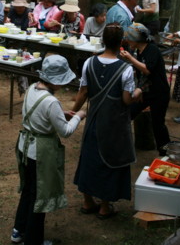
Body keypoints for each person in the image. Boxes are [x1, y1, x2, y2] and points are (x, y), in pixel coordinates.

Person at [11, 55, 86, 245]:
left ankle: (18, 230)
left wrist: (60, 115)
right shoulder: (51, 102)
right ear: (56, 81)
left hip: (24, 146)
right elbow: (66, 131)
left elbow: (40, 115)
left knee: (29, 190)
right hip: (39, 153)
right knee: (40, 196)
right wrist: (78, 116)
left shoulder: (30, 89)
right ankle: (33, 240)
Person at [71, 24, 142, 219]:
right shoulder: (126, 70)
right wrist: (138, 92)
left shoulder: (89, 63)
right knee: (111, 161)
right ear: (121, 43)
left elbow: (83, 92)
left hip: (93, 120)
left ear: (103, 41)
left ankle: (87, 202)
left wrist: (72, 111)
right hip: (114, 124)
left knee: (89, 158)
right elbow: (127, 100)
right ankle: (104, 206)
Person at [120, 23, 171, 153]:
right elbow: (141, 74)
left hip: (159, 93)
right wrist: (140, 89)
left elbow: (147, 70)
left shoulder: (152, 49)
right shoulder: (140, 50)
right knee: (129, 113)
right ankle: (121, 145)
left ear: (137, 39)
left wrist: (130, 58)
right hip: (147, 92)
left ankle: (165, 151)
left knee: (158, 124)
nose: (128, 41)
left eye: (130, 38)